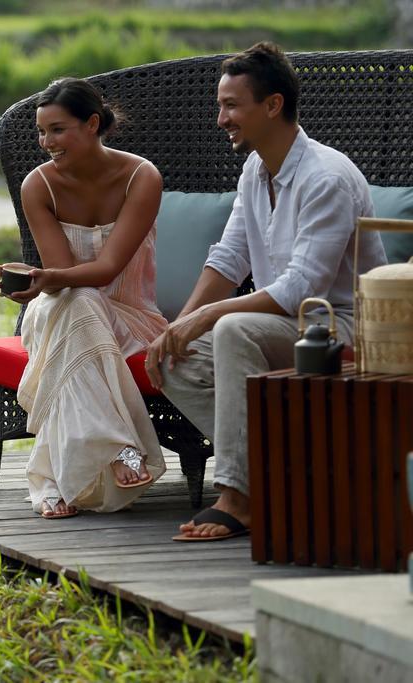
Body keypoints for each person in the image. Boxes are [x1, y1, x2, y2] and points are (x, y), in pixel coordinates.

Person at [144, 42, 387, 541]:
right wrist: (180, 326)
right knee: (175, 358)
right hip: (292, 324)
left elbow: (302, 288)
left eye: (232, 105)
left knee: (233, 328)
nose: (221, 119)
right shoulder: (256, 169)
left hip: (344, 322)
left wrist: (208, 318)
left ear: (272, 105)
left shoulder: (327, 178)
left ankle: (239, 496)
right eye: (221, 106)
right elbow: (228, 258)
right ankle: (282, 475)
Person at [0, 77, 168, 520]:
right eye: (41, 131)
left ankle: (52, 481)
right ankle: (118, 447)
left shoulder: (141, 177)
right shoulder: (39, 186)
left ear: (92, 124)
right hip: (55, 308)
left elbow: (106, 270)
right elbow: (62, 276)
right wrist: (38, 281)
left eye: (58, 130)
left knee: (84, 302)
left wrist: (49, 277)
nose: (46, 142)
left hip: (129, 317)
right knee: (79, 303)